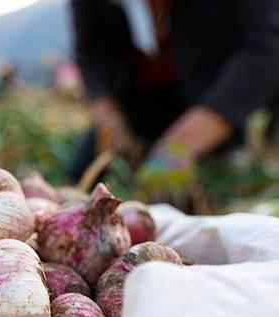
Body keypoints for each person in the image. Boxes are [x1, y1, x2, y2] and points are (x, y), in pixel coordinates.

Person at [69, 0, 279, 205]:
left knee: (217, 185)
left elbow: (264, 51)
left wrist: (183, 144)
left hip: (215, 92)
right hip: (140, 96)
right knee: (85, 172)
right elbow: (90, 50)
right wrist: (108, 115)